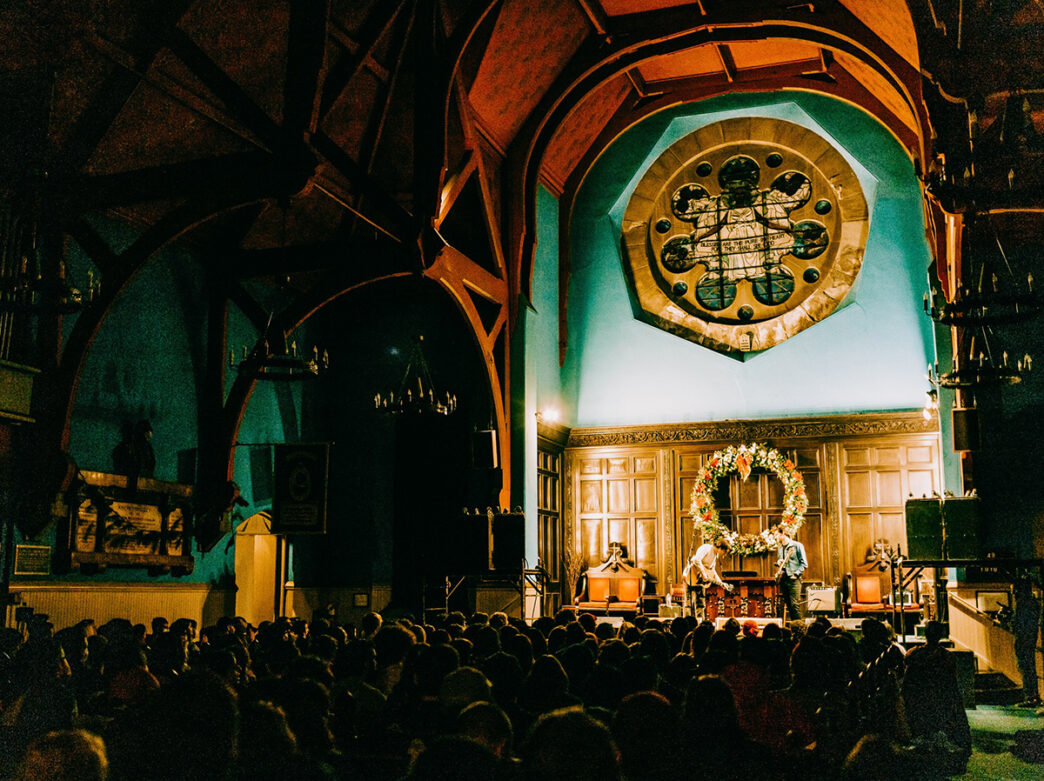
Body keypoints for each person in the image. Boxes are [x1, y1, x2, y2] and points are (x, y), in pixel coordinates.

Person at [684, 540, 733, 619]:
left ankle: (700, 623)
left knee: (700, 604)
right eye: (724, 552)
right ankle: (687, 624)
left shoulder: (715, 556)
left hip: (701, 580)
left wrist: (721, 583)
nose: (724, 555)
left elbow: (712, 570)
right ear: (720, 548)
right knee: (688, 604)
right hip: (692, 575)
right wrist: (703, 573)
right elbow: (696, 560)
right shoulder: (706, 548)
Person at [1013, 575, 1041, 707]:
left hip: (1024, 639)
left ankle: (1031, 696)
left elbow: (1019, 623)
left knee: (1026, 668)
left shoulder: (1023, 604)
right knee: (1029, 667)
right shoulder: (1033, 602)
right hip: (1030, 638)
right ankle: (1032, 696)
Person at [775, 533, 808, 622]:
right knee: (789, 605)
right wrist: (779, 562)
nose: (775, 537)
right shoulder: (780, 547)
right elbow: (781, 562)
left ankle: (799, 628)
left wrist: (796, 574)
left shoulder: (797, 545)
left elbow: (804, 564)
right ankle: (794, 627)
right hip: (784, 578)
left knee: (794, 605)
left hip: (794, 579)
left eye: (777, 534)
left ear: (783, 534)